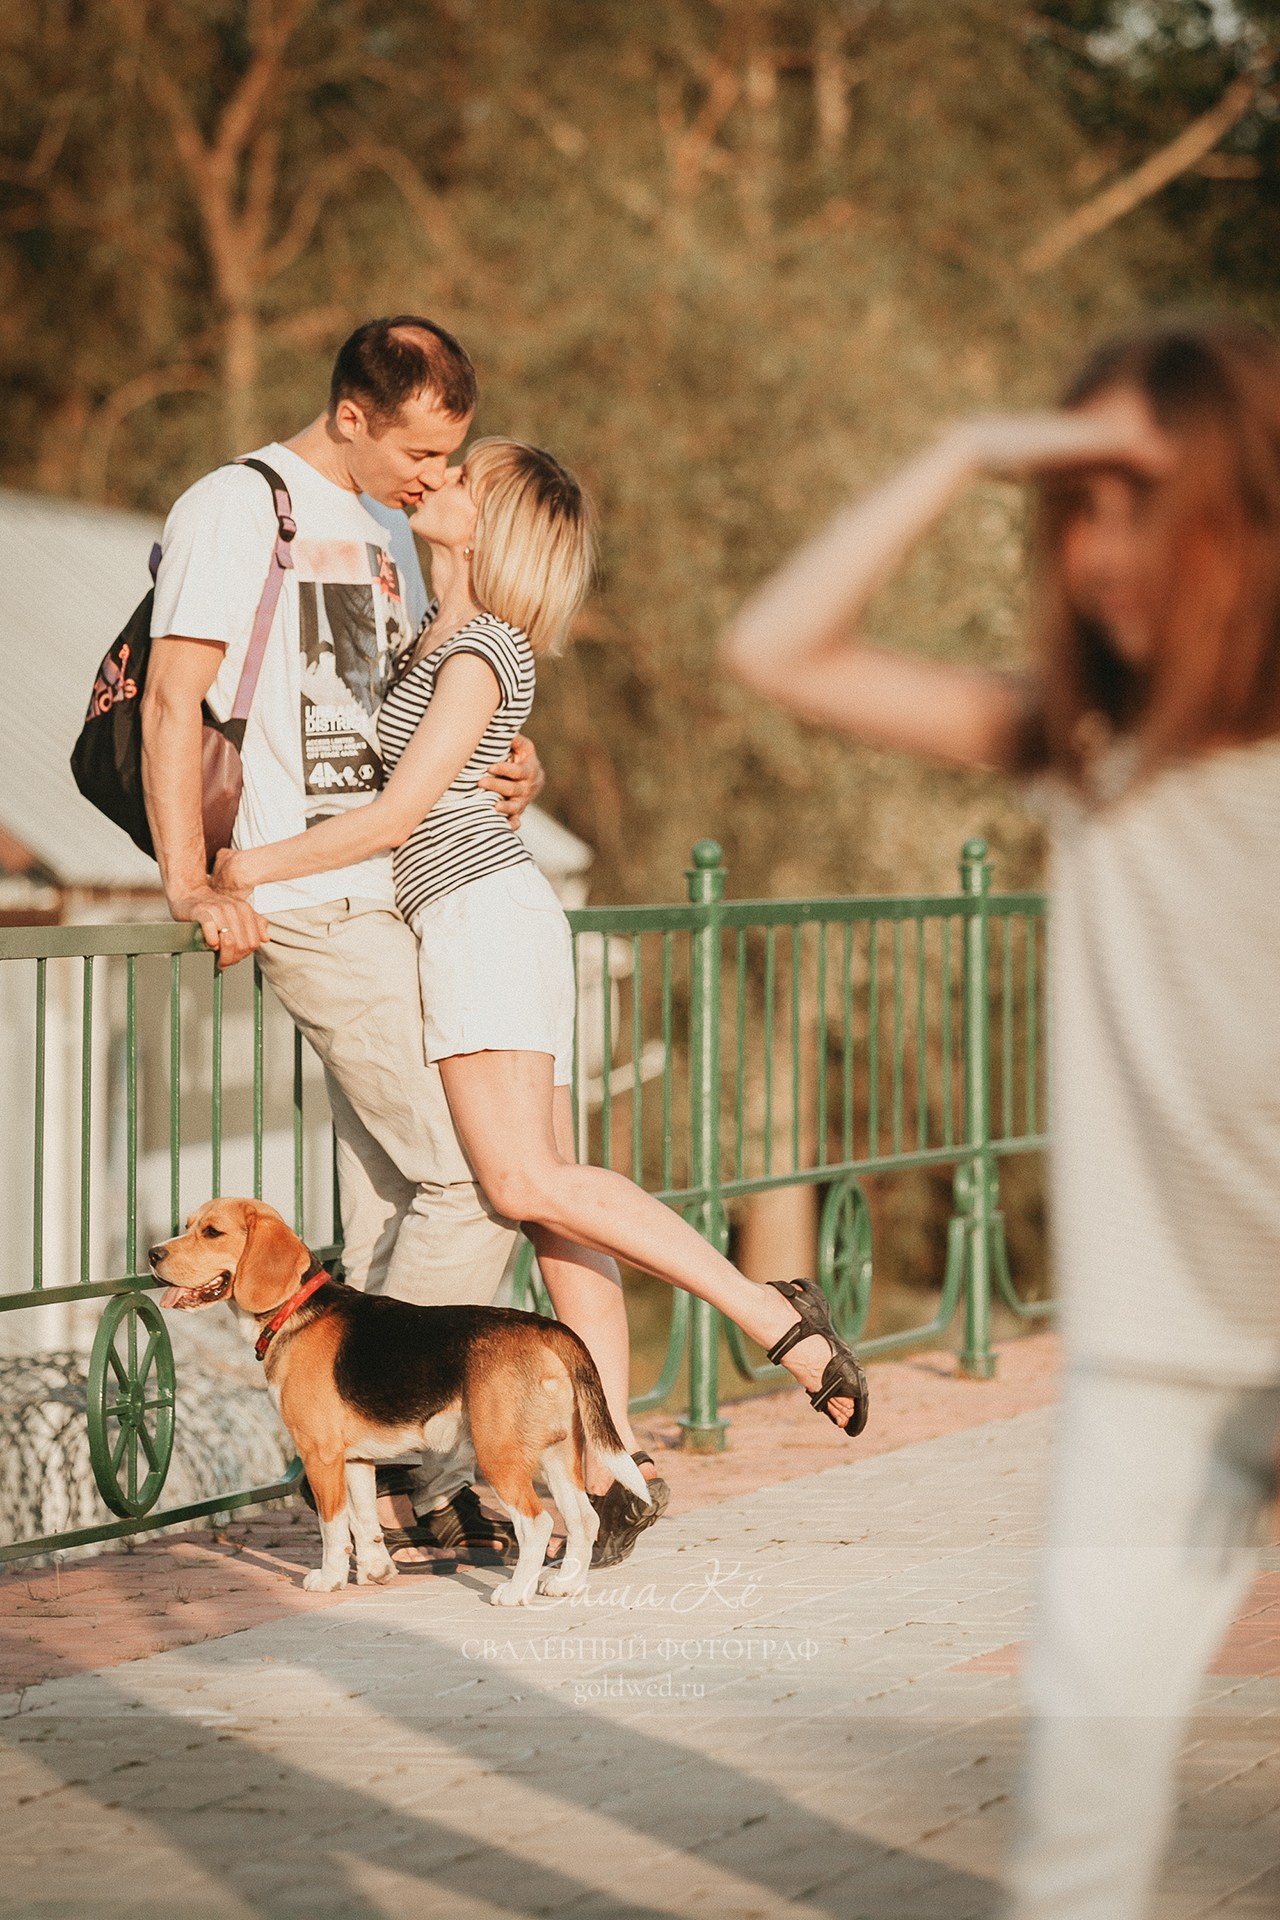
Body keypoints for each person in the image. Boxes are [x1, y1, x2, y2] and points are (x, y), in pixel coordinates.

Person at [722, 313, 1280, 1919]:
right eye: (1075, 501)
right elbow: (780, 651)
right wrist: (974, 451)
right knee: (1078, 1832)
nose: (1101, 545)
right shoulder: (1081, 746)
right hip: (1161, 1356)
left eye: (1140, 495)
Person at [211, 435, 871, 1544]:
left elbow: (397, 816)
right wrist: (524, 768)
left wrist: (244, 868)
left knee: (523, 1182)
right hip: (478, 915)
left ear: (492, 524)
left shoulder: (479, 649)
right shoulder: (443, 634)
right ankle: (610, 1464)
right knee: (554, 1195)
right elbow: (465, 767)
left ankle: (772, 1315)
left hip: (479, 916)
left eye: (463, 478)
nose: (440, 481)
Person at [141, 316, 543, 1561]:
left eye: (452, 455)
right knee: (468, 1174)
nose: (437, 478)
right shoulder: (238, 505)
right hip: (310, 903)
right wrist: (187, 881)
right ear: (356, 415)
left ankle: (373, 1502)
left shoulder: (380, 531)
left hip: (395, 886)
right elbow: (172, 694)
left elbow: (410, 709)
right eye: (422, 451)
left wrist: (509, 761)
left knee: (386, 1195)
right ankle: (420, 1451)